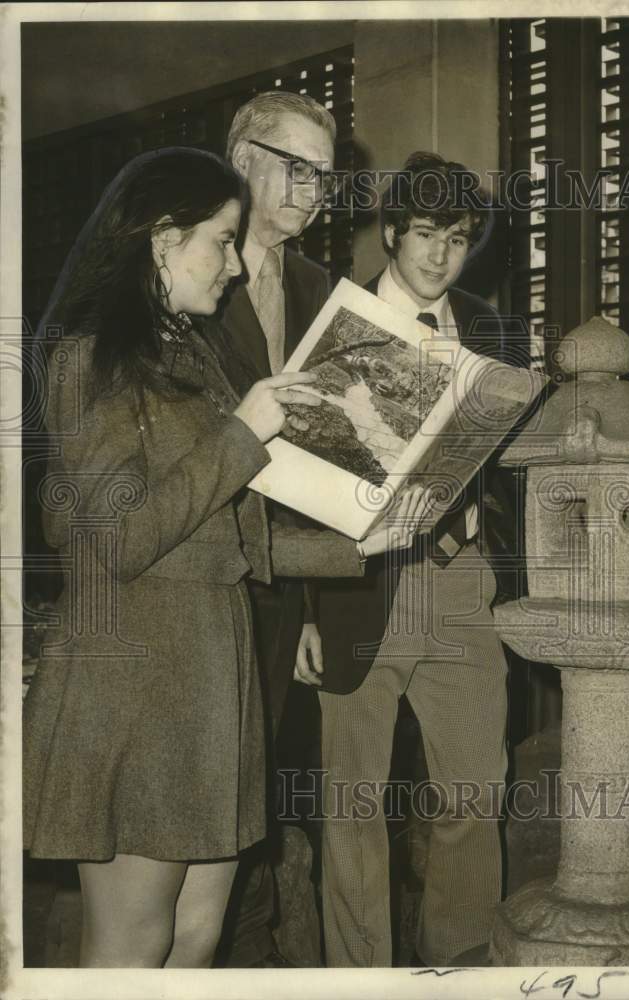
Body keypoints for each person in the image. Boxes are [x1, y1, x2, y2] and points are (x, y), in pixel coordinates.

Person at [22, 146, 430, 968]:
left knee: (200, 935)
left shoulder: (193, 352)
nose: (239, 264)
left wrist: (366, 539)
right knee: (133, 944)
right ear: (163, 240)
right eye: (224, 238)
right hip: (135, 677)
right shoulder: (88, 355)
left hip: (212, 666)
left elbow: (225, 533)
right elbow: (126, 537)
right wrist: (245, 431)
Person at [315, 152, 512, 967]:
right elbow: (300, 476)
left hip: (462, 575)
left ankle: (459, 969)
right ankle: (359, 982)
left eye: (458, 238)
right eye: (425, 233)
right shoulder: (338, 321)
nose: (440, 255)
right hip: (360, 581)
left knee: (474, 792)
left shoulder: (486, 324)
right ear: (392, 230)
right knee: (354, 804)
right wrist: (307, 610)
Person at [207, 90, 340, 967]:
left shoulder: (325, 293)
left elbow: (326, 464)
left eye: (324, 178)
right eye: (295, 167)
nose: (312, 191)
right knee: (200, 798)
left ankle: (243, 960)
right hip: (196, 575)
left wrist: (313, 602)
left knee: (259, 798)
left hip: (285, 583)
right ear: (242, 157)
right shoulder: (177, 277)